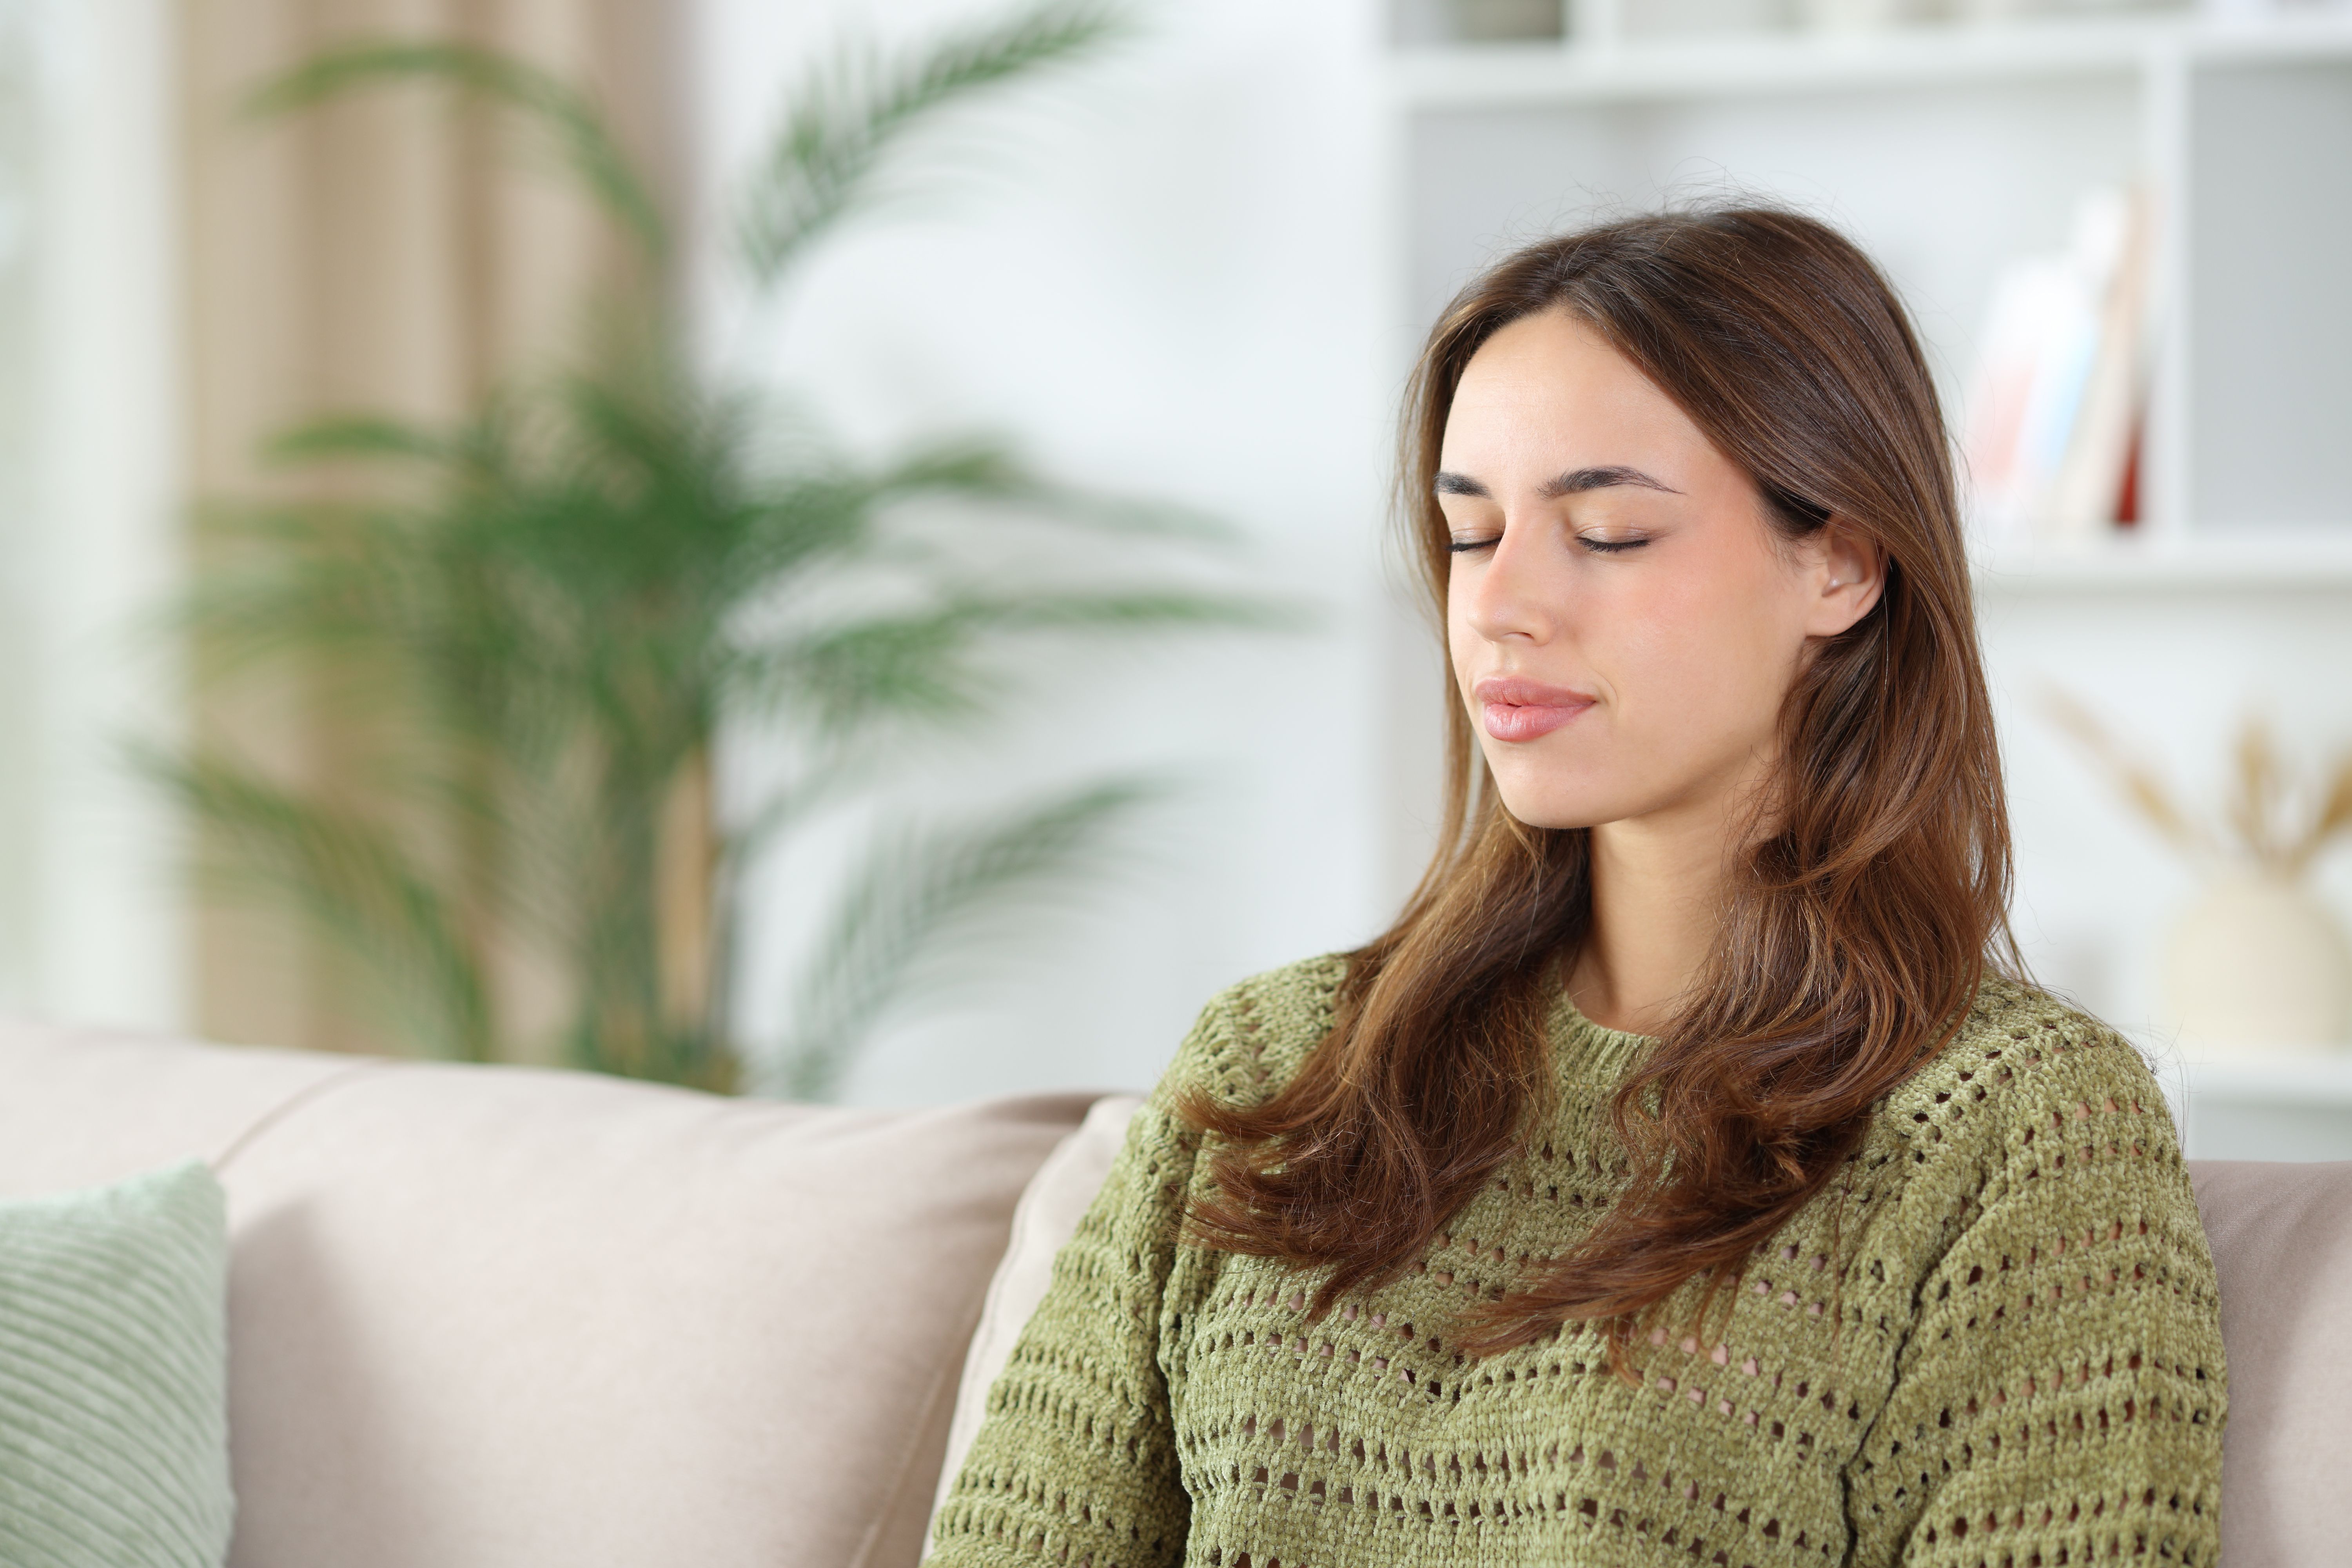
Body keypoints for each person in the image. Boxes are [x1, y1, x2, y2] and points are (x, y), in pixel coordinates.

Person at [925, 208, 2225, 1568]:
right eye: (1471, 534)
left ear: (1841, 561)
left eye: (1607, 533)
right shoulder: (1275, 1061)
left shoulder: (2016, 1131)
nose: (1501, 605)